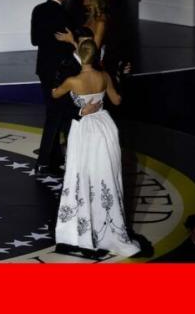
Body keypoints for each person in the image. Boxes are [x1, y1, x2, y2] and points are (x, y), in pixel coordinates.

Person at [51, 39, 140, 257]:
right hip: (105, 128)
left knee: (80, 176)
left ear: (80, 56)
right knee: (105, 177)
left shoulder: (73, 81)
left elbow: (54, 94)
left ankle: (78, 233)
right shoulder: (104, 76)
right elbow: (117, 101)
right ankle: (105, 231)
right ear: (97, 55)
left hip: (83, 130)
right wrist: (122, 79)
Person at [30, 0, 74, 174]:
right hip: (60, 71)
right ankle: (45, 160)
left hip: (44, 69)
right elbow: (67, 44)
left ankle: (54, 157)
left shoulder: (38, 10)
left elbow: (35, 40)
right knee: (57, 115)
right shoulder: (63, 15)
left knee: (55, 112)